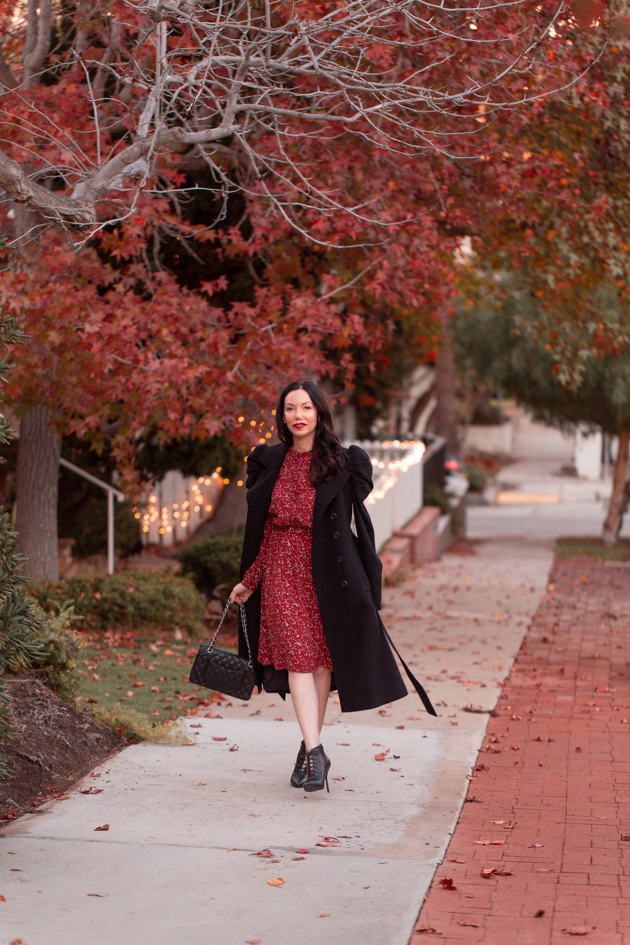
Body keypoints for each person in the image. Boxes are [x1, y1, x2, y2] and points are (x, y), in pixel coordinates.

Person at [229, 380, 435, 794]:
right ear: (282, 416)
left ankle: (310, 750)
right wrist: (249, 581)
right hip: (283, 573)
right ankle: (317, 750)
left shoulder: (342, 463)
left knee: (322, 663)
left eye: (306, 407)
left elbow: (357, 527)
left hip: (327, 575)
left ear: (320, 413)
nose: (298, 415)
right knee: (301, 661)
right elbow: (266, 532)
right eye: (290, 409)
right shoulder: (270, 462)